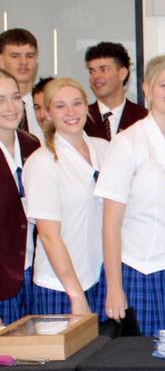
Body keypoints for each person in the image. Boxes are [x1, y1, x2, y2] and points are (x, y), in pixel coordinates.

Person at [95, 55, 165, 336]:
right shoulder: (127, 143)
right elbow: (111, 223)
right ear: (147, 89)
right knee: (146, 354)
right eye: (164, 85)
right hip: (142, 268)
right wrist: (115, 287)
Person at [24, 78, 109, 318]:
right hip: (61, 287)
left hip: (100, 277)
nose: (71, 112)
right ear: (47, 113)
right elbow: (49, 236)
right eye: (60, 106)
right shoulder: (42, 162)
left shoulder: (104, 149)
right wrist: (76, 294)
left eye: (77, 103)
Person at [0, 68, 40, 325]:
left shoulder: (32, 144)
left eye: (16, 97)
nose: (11, 107)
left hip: (35, 273)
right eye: (0, 100)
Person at [84, 42, 148, 141]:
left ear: (122, 73)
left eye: (104, 70)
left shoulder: (144, 118)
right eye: (92, 71)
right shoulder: (81, 117)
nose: (95, 76)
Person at [0, 29, 41, 139]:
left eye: (30, 56)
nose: (24, 62)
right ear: (0, 60)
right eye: (15, 56)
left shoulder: (49, 103)